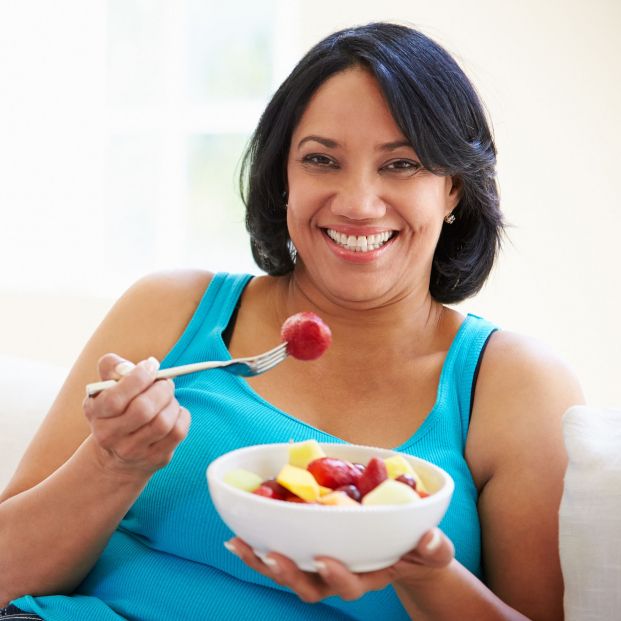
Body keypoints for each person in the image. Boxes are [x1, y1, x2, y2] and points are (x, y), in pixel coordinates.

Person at [0, 22, 583, 620]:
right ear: (284, 178)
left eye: (402, 164)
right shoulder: (171, 308)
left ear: (454, 189)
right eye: (321, 159)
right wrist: (113, 464)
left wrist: (423, 571)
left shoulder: (514, 383)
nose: (358, 203)